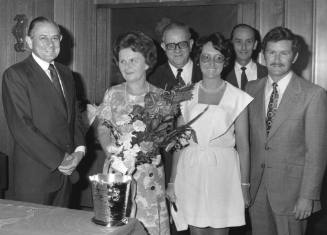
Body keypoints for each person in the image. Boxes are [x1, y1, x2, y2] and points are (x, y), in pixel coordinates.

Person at [166, 32, 253, 235]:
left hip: (223, 172)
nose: (211, 63)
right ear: (198, 61)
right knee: (196, 230)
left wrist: (245, 185)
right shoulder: (185, 94)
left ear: (226, 61)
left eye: (218, 58)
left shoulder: (238, 97)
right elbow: (180, 142)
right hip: (191, 169)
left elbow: (244, 146)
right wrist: (172, 181)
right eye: (206, 57)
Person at [246, 26, 327, 235]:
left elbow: (316, 152)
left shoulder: (313, 95)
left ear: (295, 56)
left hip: (293, 195)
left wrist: (308, 196)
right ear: (262, 56)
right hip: (257, 191)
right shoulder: (250, 89)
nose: (277, 58)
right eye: (271, 52)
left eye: (284, 53)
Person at [2, 16, 85, 207]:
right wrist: (61, 160)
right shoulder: (15, 75)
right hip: (35, 178)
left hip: (67, 176)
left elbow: (75, 117)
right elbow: (22, 127)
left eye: (55, 38)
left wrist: (79, 151)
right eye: (43, 38)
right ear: (30, 42)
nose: (50, 43)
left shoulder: (66, 74)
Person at [96, 31, 170, 235]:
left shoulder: (160, 98)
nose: (126, 66)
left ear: (147, 63)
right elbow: (102, 126)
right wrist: (109, 148)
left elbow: (167, 138)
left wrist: (148, 149)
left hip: (148, 177)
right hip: (118, 173)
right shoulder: (113, 93)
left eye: (133, 60)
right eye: (122, 61)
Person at [148, 21, 202, 90]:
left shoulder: (206, 72)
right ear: (164, 47)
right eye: (171, 46)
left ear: (191, 44)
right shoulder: (152, 80)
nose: (177, 50)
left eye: (182, 44)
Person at [224, 24, 267, 90]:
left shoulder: (267, 74)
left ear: (255, 45)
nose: (243, 47)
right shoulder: (222, 74)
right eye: (238, 42)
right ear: (232, 44)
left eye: (248, 42)